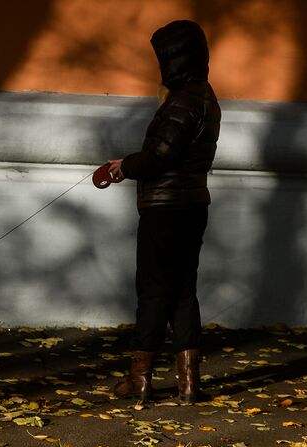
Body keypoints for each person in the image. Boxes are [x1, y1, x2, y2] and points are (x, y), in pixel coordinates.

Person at [103, 20, 220, 404]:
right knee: (184, 292)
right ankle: (188, 383)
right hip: (193, 204)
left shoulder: (183, 100)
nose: (160, 67)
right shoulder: (205, 96)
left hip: (165, 209)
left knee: (153, 292)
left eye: (163, 58)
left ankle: (140, 380)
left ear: (176, 59)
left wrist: (125, 165)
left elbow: (162, 156)